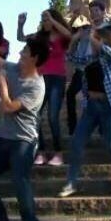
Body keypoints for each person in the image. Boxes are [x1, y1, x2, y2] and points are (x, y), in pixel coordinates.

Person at [0, 26, 49, 221]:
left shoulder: (36, 87)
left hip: (23, 142)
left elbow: (8, 107)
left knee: (20, 181)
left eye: (25, 52)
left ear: (34, 58)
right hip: (2, 138)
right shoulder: (16, 68)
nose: (20, 54)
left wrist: (2, 84)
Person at [58, 23, 111, 198]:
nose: (91, 42)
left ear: (103, 40)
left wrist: (91, 36)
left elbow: (109, 52)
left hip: (108, 107)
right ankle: (71, 183)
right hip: (90, 107)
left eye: (96, 39)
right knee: (76, 143)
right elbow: (70, 58)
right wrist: (74, 39)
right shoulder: (89, 60)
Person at [18, 9, 71, 166]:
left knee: (53, 116)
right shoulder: (40, 37)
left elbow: (69, 35)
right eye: (42, 18)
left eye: (46, 18)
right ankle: (40, 151)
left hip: (57, 79)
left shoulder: (62, 37)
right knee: (36, 115)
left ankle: (58, 153)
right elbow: (21, 38)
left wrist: (53, 22)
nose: (44, 21)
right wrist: (20, 24)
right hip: (40, 79)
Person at [66, 1, 107, 135]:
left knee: (96, 99)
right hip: (82, 69)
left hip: (98, 70)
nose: (93, 13)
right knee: (71, 94)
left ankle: (102, 128)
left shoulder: (108, 29)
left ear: (103, 12)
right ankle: (74, 129)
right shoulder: (86, 29)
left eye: (96, 10)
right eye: (92, 11)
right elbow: (69, 34)